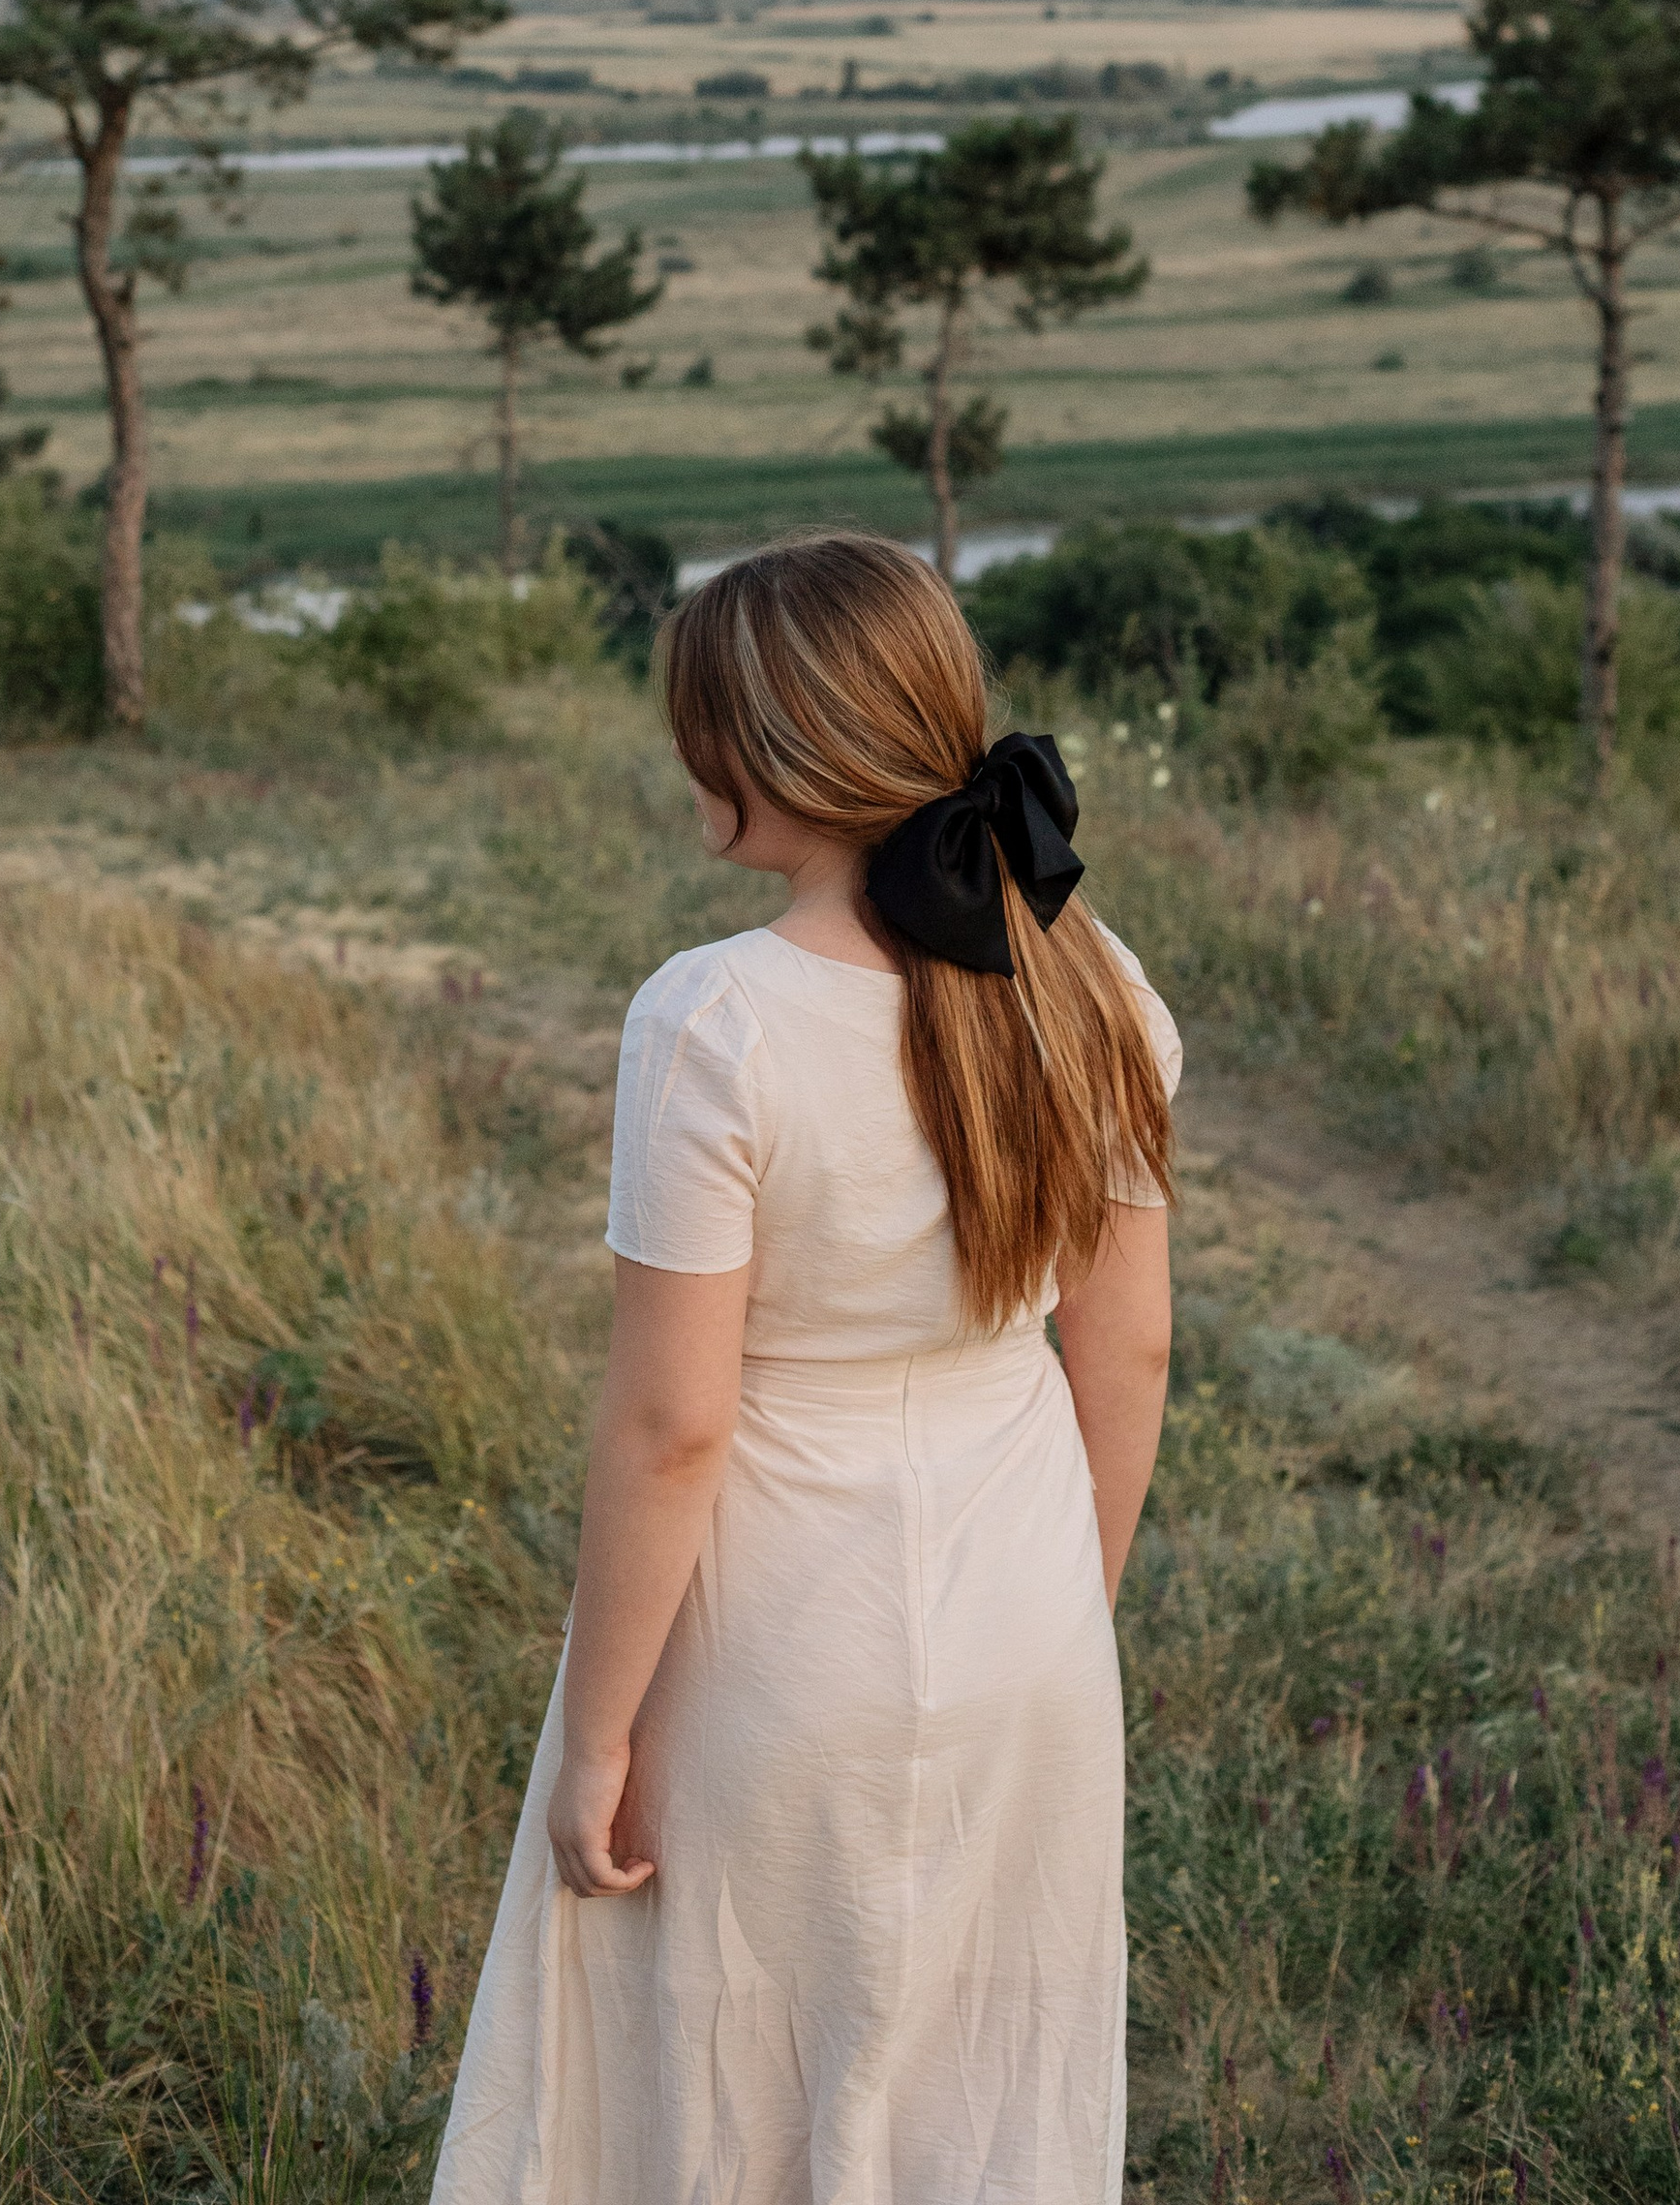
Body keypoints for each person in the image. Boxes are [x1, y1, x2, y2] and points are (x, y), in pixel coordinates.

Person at [433, 533, 1179, 2205]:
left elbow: (676, 1426)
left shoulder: (718, 1020)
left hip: (773, 1634)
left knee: (722, 2073)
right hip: (1026, 1612)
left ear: (762, 755)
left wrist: (599, 1735)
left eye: (701, 726)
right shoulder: (1093, 980)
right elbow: (1121, 1336)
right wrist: (1072, 1603)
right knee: (974, 2078)